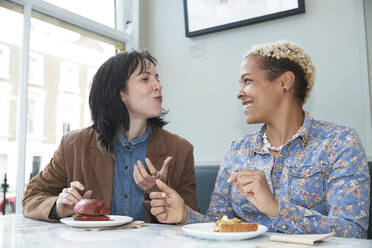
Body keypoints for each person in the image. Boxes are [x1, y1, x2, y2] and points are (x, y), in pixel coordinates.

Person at [149, 41, 370, 238]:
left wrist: (276, 208)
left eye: (247, 81)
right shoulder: (237, 150)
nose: (239, 92)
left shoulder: (340, 143)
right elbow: (219, 225)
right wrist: (184, 214)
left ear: (285, 82)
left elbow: (352, 231)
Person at [22, 50, 198, 222]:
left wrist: (161, 196)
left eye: (157, 78)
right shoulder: (74, 145)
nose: (158, 85)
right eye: (145, 79)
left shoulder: (180, 150)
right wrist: (59, 206)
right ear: (120, 93)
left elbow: (192, 219)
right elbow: (32, 197)